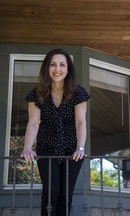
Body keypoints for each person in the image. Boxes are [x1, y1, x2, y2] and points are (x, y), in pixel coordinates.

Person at [22, 48, 90, 216]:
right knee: (51, 193)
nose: (57, 69)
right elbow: (33, 123)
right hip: (47, 148)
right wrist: (27, 148)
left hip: (72, 151)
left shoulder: (78, 93)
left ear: (68, 70)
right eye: (53, 65)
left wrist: (80, 148)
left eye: (62, 65)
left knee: (65, 195)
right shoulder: (37, 94)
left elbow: (81, 122)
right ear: (47, 68)